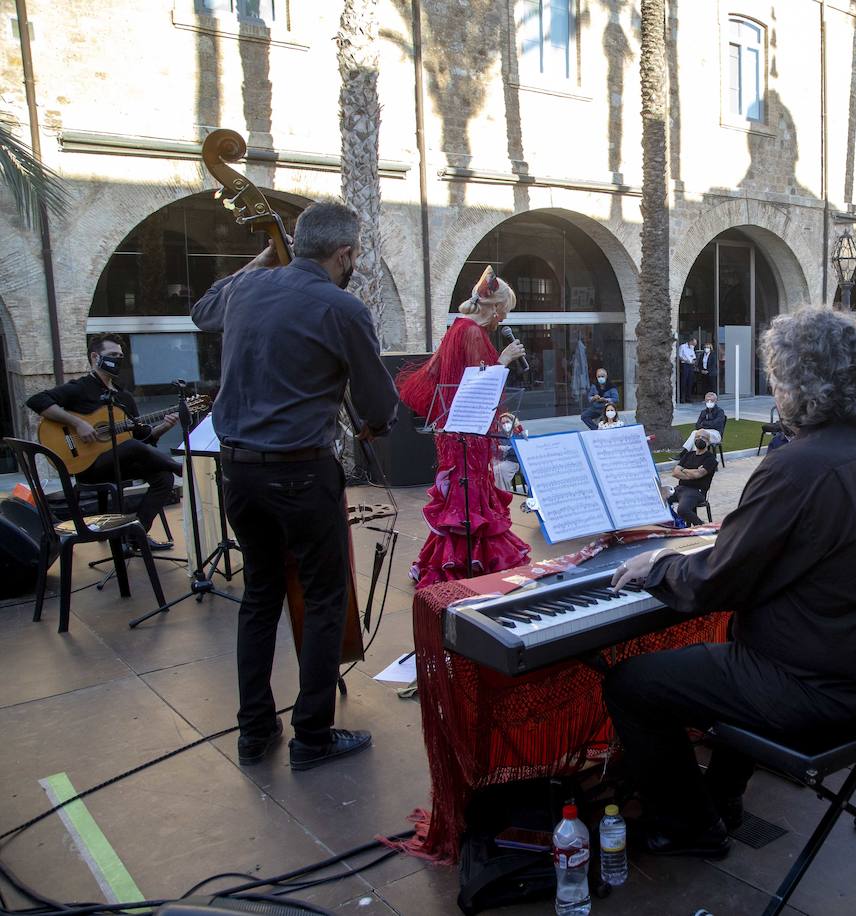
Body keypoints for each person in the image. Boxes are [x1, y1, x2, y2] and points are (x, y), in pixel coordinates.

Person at [602, 306, 856, 856]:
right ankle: (722, 796)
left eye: (776, 379)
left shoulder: (796, 466)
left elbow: (716, 581)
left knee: (631, 684)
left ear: (794, 385)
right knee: (743, 637)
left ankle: (691, 825)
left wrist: (659, 564)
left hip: (829, 694)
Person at [191, 202, 400, 771]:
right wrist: (374, 424)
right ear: (345, 254)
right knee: (325, 595)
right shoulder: (341, 306)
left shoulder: (245, 289)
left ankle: (254, 733)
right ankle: (311, 735)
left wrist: (264, 258)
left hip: (237, 471)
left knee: (261, 594)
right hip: (302, 474)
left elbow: (200, 310)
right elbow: (379, 404)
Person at [395, 265, 531, 587]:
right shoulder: (471, 332)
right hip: (467, 434)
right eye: (505, 311)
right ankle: (464, 565)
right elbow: (475, 384)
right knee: (467, 499)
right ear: (495, 306)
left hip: (461, 432)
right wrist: (505, 359)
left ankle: (458, 560)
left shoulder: (463, 328)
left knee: (463, 498)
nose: (505, 319)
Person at [26, 334, 180, 546]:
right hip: (88, 465)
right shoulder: (81, 387)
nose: (117, 359)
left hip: (120, 462)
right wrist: (78, 423)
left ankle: (136, 534)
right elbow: (37, 400)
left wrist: (162, 428)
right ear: (95, 357)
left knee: (164, 477)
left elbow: (140, 440)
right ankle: (179, 467)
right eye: (111, 355)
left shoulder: (123, 398)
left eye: (120, 356)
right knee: (134, 448)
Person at [666, 433, 716, 526]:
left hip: (696, 491)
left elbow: (698, 475)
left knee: (682, 509)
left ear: (708, 442)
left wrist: (683, 470)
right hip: (680, 488)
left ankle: (702, 526)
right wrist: (692, 472)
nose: (700, 439)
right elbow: (675, 473)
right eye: (697, 437)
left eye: (703, 437)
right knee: (661, 501)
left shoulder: (710, 458)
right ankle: (677, 523)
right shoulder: (688, 455)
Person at [493, 412, 524, 492]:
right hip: (502, 459)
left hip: (515, 461)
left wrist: (505, 449)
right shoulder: (499, 435)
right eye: (503, 423)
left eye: (507, 422)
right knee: (492, 468)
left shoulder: (519, 433)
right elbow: (494, 448)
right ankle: (494, 494)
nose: (505, 424)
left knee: (500, 469)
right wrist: (507, 448)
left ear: (512, 422)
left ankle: (502, 492)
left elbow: (519, 449)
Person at [678, 337, 697, 403]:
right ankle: (682, 398)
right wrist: (686, 360)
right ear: (690, 341)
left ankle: (688, 397)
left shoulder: (692, 348)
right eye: (694, 344)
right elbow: (679, 356)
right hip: (685, 365)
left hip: (691, 365)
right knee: (684, 382)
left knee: (690, 382)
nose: (694, 345)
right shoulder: (682, 347)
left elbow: (694, 356)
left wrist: (694, 361)